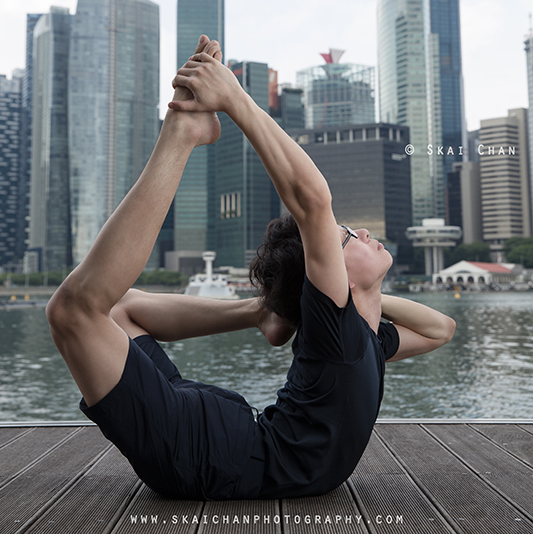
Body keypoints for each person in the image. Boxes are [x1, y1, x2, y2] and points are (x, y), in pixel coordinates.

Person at [46, 35, 455, 501]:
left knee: (82, 311)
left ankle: (262, 305)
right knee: (86, 310)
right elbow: (312, 202)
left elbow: (442, 328)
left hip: (210, 448)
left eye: (342, 236)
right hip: (213, 451)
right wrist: (235, 99)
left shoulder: (360, 339)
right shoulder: (337, 337)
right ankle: (182, 138)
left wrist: (360, 298)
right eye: (346, 237)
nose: (361, 234)